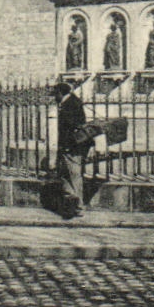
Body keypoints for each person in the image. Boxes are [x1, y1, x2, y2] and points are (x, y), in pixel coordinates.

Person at [52, 81, 88, 219]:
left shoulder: (70, 104)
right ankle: (72, 202)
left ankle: (78, 206)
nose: (54, 97)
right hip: (68, 146)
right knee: (64, 174)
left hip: (71, 147)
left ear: (61, 93)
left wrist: (66, 145)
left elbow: (72, 126)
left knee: (73, 175)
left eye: (56, 94)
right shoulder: (71, 102)